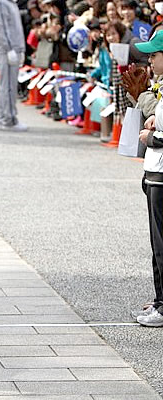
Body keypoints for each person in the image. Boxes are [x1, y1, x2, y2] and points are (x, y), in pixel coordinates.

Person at [135, 30, 163, 327]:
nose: (150, 60)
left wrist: (151, 137)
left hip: (162, 172)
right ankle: (159, 298)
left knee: (161, 244)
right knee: (157, 245)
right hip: (155, 172)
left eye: (154, 55)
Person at [0, 0, 29, 131]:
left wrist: (20, 49)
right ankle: (8, 119)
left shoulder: (10, 3)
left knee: (9, 85)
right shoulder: (0, 3)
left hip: (14, 48)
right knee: (8, 86)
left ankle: (6, 117)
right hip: (7, 50)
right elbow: (1, 27)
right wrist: (9, 48)